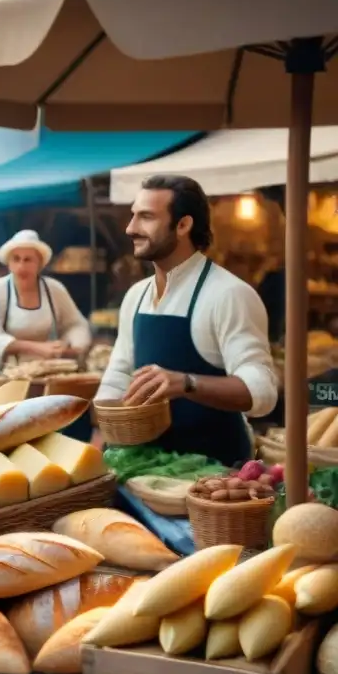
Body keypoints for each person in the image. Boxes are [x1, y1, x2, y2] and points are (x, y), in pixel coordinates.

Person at [96, 175, 277, 466]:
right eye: (133, 216)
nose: (131, 228)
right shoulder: (136, 296)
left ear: (183, 225)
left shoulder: (228, 294)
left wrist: (186, 383)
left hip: (214, 475)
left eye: (146, 217)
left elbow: (262, 392)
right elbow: (119, 375)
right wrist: (102, 429)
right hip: (145, 468)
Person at [0, 230, 92, 371]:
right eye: (16, 259)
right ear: (8, 264)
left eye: (28, 260)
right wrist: (36, 348)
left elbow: (75, 324)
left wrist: (70, 346)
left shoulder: (54, 289)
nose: (21, 267)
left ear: (40, 263)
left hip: (46, 370)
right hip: (4, 373)